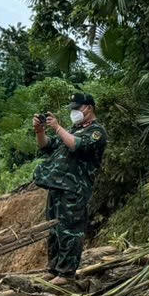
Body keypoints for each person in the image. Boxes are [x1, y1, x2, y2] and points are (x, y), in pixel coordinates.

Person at [32, 92, 107, 285]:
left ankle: (66, 273)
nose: (74, 112)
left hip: (75, 189)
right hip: (57, 186)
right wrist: (40, 131)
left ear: (88, 108)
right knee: (54, 228)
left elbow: (75, 145)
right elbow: (46, 146)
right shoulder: (73, 129)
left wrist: (57, 127)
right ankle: (53, 268)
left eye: (77, 108)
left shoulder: (96, 131)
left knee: (70, 229)